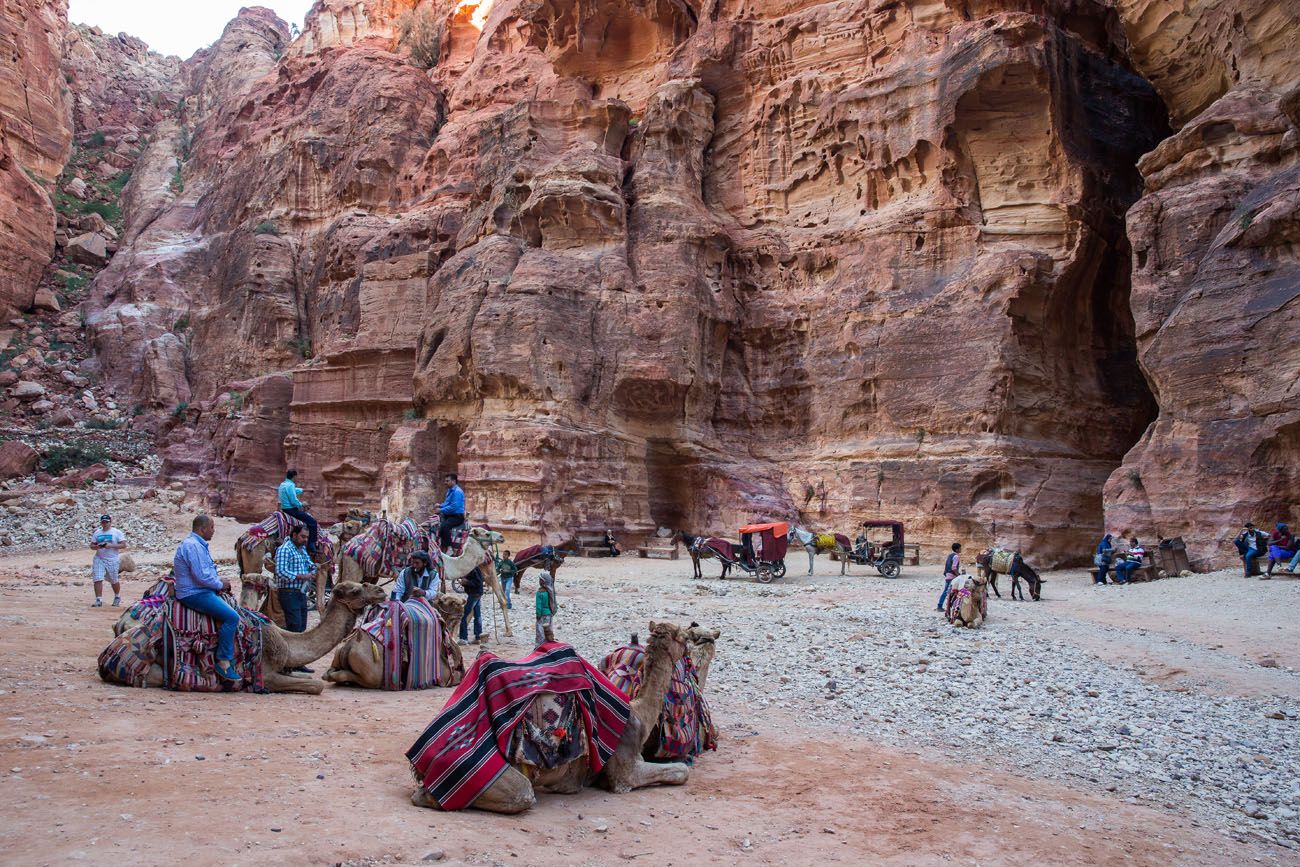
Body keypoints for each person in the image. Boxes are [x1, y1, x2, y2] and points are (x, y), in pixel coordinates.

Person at [174, 515, 241, 683]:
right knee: (232, 617)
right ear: (202, 529)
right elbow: (201, 576)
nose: (213, 531)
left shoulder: (196, 545)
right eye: (211, 527)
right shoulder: (194, 546)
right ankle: (223, 661)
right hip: (195, 593)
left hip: (199, 590)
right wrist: (220, 584)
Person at [273, 526, 316, 649]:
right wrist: (302, 576)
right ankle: (290, 658)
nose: (305, 540)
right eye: (303, 536)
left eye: (307, 537)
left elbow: (310, 564)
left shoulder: (302, 549)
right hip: (289, 593)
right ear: (294, 535)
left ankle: (298, 660)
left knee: (301, 626)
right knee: (294, 626)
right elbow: (280, 571)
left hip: (301, 593)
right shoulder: (284, 549)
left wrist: (314, 569)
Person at [277, 468, 319, 553]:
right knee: (312, 522)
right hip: (291, 510)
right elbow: (293, 500)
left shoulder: (283, 484)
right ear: (294, 476)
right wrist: (301, 504)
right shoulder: (290, 485)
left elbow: (293, 491)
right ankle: (312, 544)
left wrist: (304, 490)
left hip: (284, 509)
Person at [90, 513, 126, 608]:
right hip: (99, 558)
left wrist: (111, 546)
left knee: (114, 579)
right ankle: (98, 599)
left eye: (107, 522)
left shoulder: (116, 532)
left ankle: (117, 596)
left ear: (110, 522)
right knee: (97, 578)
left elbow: (123, 545)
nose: (105, 524)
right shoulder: (97, 533)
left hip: (112, 559)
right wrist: (97, 546)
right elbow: (92, 545)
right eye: (103, 522)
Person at [437, 472, 465, 551]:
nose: (445, 483)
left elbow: (454, 506)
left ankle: (449, 548)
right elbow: (448, 503)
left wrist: (441, 510)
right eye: (445, 481)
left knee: (444, 527)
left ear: (454, 481)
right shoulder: (450, 491)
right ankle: (441, 546)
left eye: (447, 481)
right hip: (450, 515)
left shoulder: (457, 492)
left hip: (457, 516)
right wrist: (440, 505)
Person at [458, 562, 483, 645]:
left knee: (464, 615)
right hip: (476, 594)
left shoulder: (473, 569)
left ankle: (463, 638)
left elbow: (478, 583)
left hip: (474, 594)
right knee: (477, 615)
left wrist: (466, 582)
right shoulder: (471, 568)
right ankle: (478, 637)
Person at [535, 569, 557, 646]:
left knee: (540, 630)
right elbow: (554, 603)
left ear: (542, 581)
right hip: (549, 614)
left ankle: (539, 645)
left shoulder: (539, 593)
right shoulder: (551, 592)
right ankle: (549, 645)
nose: (539, 581)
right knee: (548, 630)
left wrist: (538, 615)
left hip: (542, 615)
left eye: (540, 579)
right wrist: (553, 612)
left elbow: (538, 606)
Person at [936, 543, 961, 612]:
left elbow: (947, 565)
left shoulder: (950, 555)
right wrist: (959, 575)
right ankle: (940, 606)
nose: (961, 549)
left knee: (948, 591)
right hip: (952, 576)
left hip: (948, 575)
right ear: (957, 549)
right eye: (960, 548)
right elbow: (954, 568)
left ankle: (949, 605)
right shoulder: (956, 556)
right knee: (947, 591)